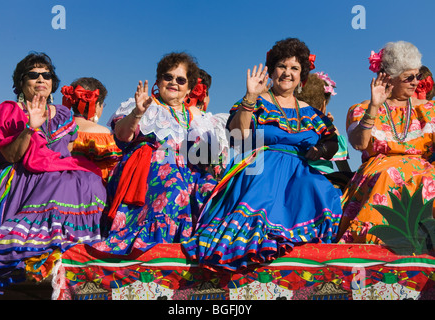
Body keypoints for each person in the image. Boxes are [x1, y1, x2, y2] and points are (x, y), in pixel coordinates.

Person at [182, 38, 343, 271]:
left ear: (301, 75)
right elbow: (238, 136)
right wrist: (249, 97)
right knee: (260, 205)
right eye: (282, 66)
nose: (287, 73)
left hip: (300, 173)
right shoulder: (256, 101)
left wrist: (320, 150)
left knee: (319, 189)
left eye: (294, 68)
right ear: (272, 70)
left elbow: (331, 141)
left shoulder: (311, 113)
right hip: (261, 168)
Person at [0, 52, 107, 294]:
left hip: (58, 176)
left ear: (53, 83)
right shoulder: (9, 111)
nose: (41, 79)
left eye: (46, 75)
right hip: (21, 178)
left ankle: (70, 251)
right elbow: (11, 156)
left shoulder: (63, 115)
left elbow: (67, 153)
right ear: (21, 82)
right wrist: (30, 127)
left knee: (88, 179)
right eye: (33, 74)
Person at [92, 52, 229, 254]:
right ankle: (155, 247)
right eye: (168, 77)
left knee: (214, 190)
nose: (173, 82)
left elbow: (212, 157)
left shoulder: (198, 117)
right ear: (159, 80)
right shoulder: (146, 105)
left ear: (189, 88)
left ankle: (198, 247)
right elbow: (121, 136)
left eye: (180, 80)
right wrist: (137, 113)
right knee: (173, 186)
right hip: (149, 169)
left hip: (189, 171)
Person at [339, 41, 435, 244]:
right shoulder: (362, 108)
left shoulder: (428, 110)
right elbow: (359, 144)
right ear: (388, 78)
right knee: (388, 176)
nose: (415, 82)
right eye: (408, 77)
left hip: (423, 171)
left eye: (417, 76)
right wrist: (374, 106)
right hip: (380, 171)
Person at [295, 72, 353, 189]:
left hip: (293, 178)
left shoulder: (285, 123)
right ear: (323, 105)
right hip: (323, 182)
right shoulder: (328, 130)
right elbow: (343, 167)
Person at [61, 77, 122, 183]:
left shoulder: (57, 129)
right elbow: (112, 174)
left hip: (57, 192)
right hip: (93, 194)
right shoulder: (105, 135)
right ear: (97, 105)